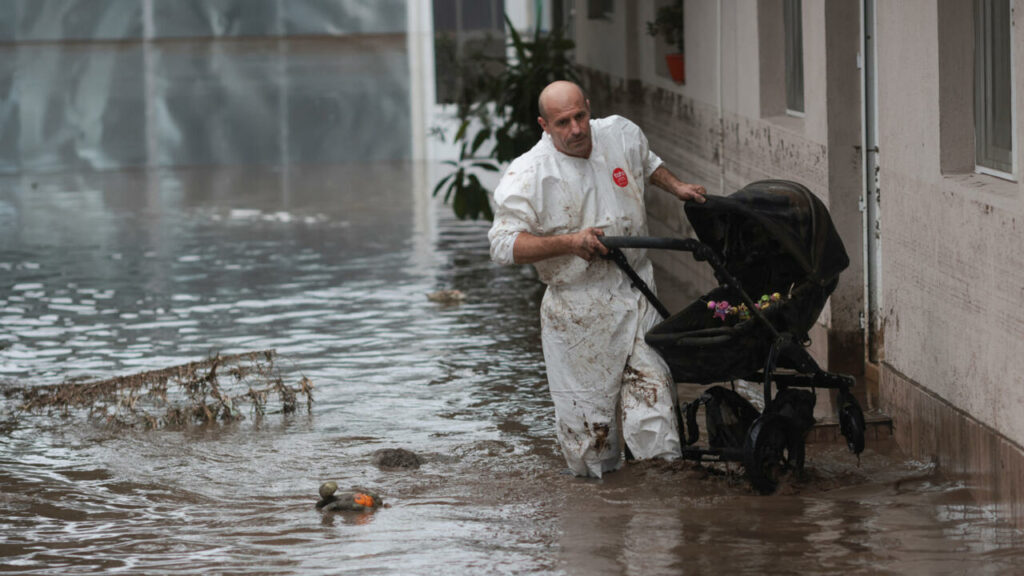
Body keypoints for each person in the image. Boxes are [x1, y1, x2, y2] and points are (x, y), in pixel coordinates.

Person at [487, 80, 707, 478]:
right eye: (562, 122)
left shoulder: (620, 133)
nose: (575, 129)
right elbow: (503, 246)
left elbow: (647, 161)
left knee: (654, 413)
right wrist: (570, 243)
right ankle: (599, 512)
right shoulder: (529, 174)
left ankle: (659, 516)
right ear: (544, 125)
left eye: (580, 116)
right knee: (592, 441)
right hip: (578, 312)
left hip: (636, 290)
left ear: (589, 108)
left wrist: (677, 188)